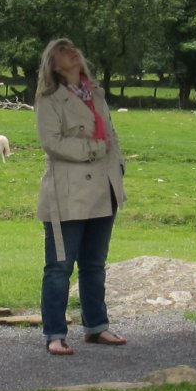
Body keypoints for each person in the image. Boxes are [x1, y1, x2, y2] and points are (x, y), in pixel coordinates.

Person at [34, 37, 127, 356]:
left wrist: (119, 168)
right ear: (54, 65)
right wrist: (94, 149)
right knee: (60, 265)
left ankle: (97, 327)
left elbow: (112, 135)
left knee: (94, 263)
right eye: (62, 50)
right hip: (69, 192)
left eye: (73, 47)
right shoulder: (49, 99)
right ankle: (55, 333)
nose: (71, 51)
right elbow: (52, 142)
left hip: (105, 188)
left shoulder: (96, 93)